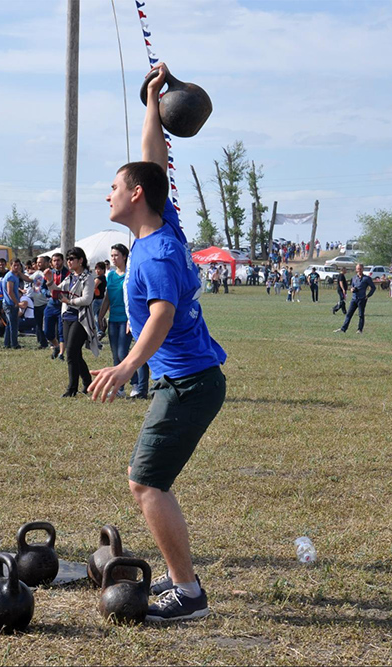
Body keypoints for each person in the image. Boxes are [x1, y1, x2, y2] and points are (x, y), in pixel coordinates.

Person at [90, 63, 226, 621]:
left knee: (146, 483)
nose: (109, 195)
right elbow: (153, 159)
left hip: (189, 385)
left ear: (136, 195)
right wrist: (152, 101)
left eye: (115, 187)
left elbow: (163, 316)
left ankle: (187, 592)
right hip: (189, 380)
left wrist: (126, 366)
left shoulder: (160, 250)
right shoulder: (157, 226)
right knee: (147, 482)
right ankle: (182, 584)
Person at [57, 247, 97, 397]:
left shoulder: (88, 278)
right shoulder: (69, 277)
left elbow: (87, 300)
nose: (69, 261)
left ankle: (71, 389)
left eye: (72, 258)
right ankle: (88, 383)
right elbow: (57, 290)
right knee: (75, 354)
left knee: (71, 353)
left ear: (81, 260)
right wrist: (48, 282)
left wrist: (69, 301)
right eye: (68, 259)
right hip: (67, 318)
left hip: (80, 319)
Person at [99, 243, 134, 399]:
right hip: (113, 320)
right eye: (112, 255)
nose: (113, 258)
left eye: (116, 255)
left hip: (126, 319)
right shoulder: (110, 275)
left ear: (124, 257)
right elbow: (107, 298)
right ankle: (119, 388)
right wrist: (100, 316)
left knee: (122, 353)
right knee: (115, 355)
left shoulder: (130, 274)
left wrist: (132, 319)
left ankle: (137, 383)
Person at [335, 264, 376, 334]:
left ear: (362, 269)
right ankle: (343, 329)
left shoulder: (367, 278)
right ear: (356, 269)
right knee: (349, 314)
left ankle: (360, 330)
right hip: (354, 299)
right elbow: (352, 286)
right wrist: (352, 289)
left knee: (361, 315)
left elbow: (373, 287)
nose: (359, 270)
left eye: (360, 269)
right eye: (358, 269)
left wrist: (368, 296)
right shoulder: (354, 278)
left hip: (362, 299)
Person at [44, 253, 69, 360]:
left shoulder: (68, 274)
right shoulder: (49, 273)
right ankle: (57, 346)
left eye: (58, 260)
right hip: (51, 304)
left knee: (61, 331)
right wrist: (47, 292)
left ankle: (61, 354)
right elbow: (41, 287)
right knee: (47, 332)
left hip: (62, 305)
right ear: (51, 262)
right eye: (54, 261)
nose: (56, 263)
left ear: (62, 261)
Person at [0, 258, 23, 349]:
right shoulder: (10, 276)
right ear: (11, 266)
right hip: (10, 304)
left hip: (10, 303)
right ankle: (14, 344)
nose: (16, 267)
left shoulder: (14, 275)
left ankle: (7, 343)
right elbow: (10, 292)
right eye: (14, 265)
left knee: (10, 324)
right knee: (13, 325)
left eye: (18, 265)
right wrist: (17, 302)